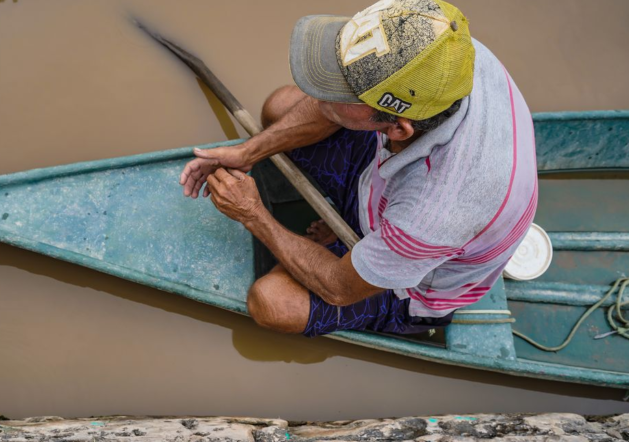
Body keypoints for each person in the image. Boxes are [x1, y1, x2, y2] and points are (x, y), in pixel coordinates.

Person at [178, 0, 537, 338]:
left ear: (398, 128)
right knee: (281, 106)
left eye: (342, 93)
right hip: (384, 188)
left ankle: (361, 250)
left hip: (408, 284)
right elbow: (323, 106)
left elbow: (338, 287)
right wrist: (248, 151)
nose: (318, 99)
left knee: (272, 302)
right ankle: (351, 230)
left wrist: (253, 214)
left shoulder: (433, 215)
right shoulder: (441, 51)